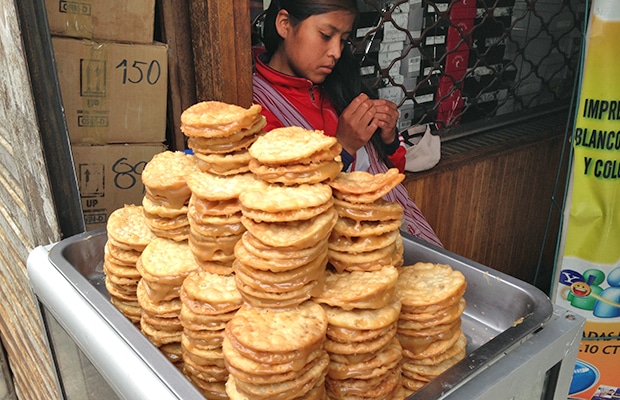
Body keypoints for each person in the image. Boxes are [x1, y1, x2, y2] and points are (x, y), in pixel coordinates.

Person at [252, 0, 443, 247]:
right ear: (285, 24)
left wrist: (388, 140)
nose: (336, 52)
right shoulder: (258, 108)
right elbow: (285, 207)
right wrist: (342, 148)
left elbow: (387, 173)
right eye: (325, 35)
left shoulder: (338, 83)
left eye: (342, 40)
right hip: (335, 251)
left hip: (401, 229)